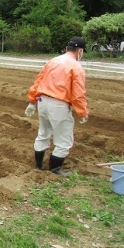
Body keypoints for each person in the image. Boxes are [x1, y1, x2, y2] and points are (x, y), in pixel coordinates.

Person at [25, 36, 89, 177]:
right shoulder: (76, 67)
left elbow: (38, 81)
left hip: (42, 101)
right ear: (80, 51)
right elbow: (78, 94)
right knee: (64, 140)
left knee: (43, 133)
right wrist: (82, 112)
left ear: (67, 48)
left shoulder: (52, 61)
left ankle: (38, 166)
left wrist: (32, 102)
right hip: (59, 105)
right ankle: (55, 170)